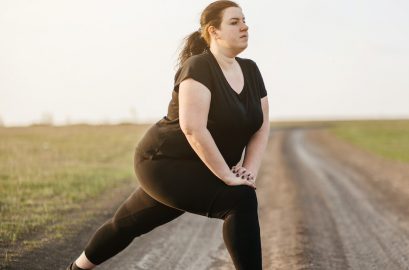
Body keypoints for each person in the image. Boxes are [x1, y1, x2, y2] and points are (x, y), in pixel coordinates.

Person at [66, 0, 269, 269]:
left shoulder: (251, 70)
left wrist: (247, 171)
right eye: (235, 22)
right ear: (214, 31)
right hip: (164, 163)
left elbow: (261, 124)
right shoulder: (199, 67)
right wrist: (228, 176)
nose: (245, 26)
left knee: (127, 224)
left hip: (201, 167)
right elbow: (192, 128)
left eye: (244, 20)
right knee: (240, 199)